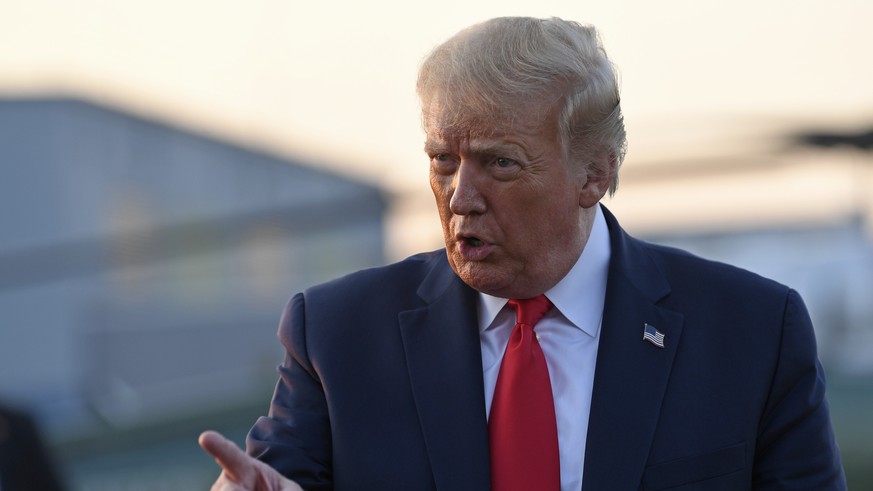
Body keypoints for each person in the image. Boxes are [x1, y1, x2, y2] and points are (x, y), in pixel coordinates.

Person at [200, 16, 846, 490]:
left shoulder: (751, 332)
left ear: (593, 174)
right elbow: (277, 479)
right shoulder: (336, 332)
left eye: (498, 164)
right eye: (442, 162)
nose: (460, 198)